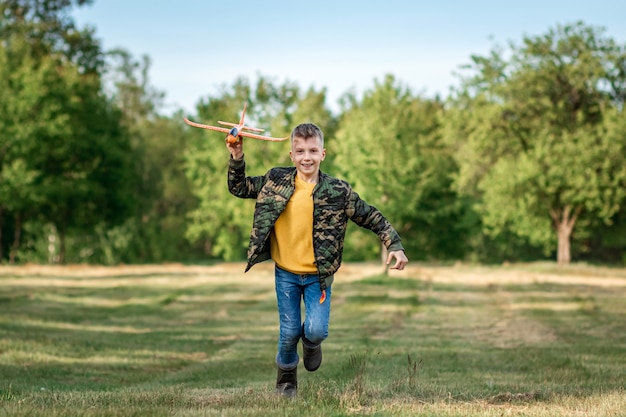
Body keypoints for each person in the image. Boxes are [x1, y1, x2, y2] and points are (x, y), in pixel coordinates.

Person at [226, 122, 408, 397]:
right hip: (285, 272)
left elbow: (369, 215)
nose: (306, 157)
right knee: (288, 332)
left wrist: (393, 243)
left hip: (318, 277)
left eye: (313, 150)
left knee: (316, 330)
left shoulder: (337, 191)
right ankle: (286, 380)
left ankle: (311, 343)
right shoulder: (275, 180)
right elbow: (239, 187)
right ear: (291, 155)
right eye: (299, 151)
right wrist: (237, 155)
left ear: (323, 154)